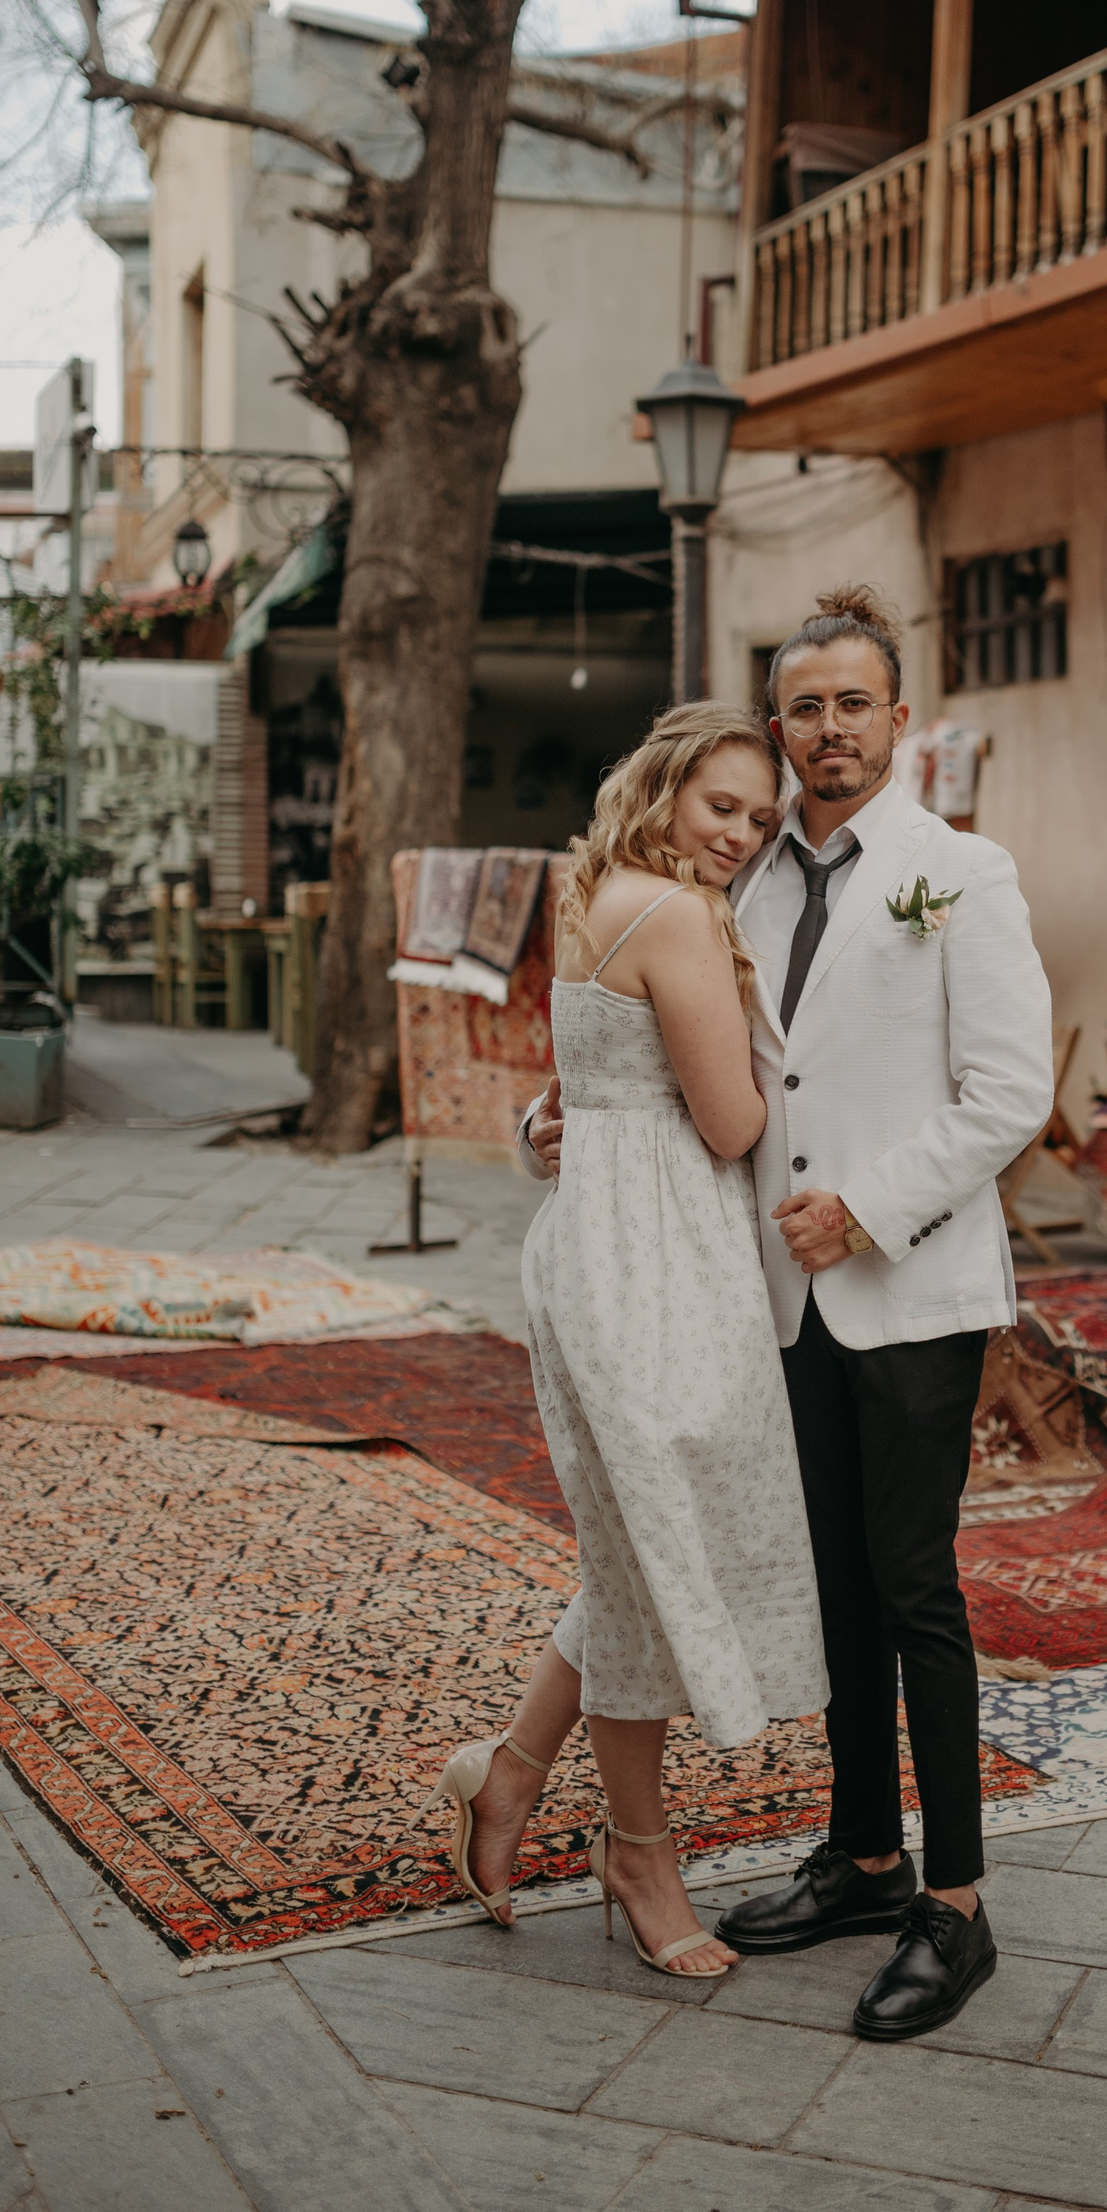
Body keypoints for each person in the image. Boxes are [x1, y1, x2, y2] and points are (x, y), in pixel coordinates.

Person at [431, 704, 827, 1979]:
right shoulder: (681, 915)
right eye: (722, 805)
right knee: (653, 1554)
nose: (742, 833)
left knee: (638, 1546)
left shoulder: (597, 889)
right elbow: (729, 1123)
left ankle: (509, 1773)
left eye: (760, 817)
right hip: (657, 1260)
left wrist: (545, 1128)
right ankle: (639, 1850)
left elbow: (587, 1087)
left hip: (600, 1243)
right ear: (662, 788)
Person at [714, 584, 1053, 2040]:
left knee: (914, 1589)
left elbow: (1010, 1091)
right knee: (835, 1587)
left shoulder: (960, 873)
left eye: (855, 703)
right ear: (777, 725)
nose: (830, 728)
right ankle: (863, 1860)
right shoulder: (746, 879)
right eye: (806, 707)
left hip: (910, 1287)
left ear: (899, 719)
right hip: (789, 1299)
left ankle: (956, 1905)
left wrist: (866, 1208)